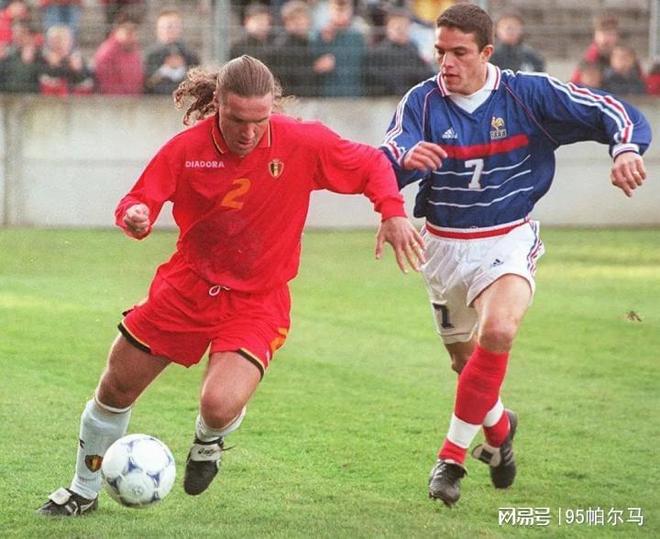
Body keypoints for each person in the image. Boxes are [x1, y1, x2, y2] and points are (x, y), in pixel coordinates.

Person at [37, 54, 424, 517]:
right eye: (238, 119)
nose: (250, 132)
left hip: (257, 300)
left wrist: (392, 212)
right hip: (187, 288)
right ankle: (82, 490)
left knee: (218, 404)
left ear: (272, 107)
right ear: (217, 103)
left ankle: (209, 439)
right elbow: (140, 199)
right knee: (116, 387)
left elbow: (372, 164)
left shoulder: (302, 141)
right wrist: (135, 217)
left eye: (261, 120)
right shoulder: (187, 149)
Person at [380, 3, 651, 507]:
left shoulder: (529, 94)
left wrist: (626, 149)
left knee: (500, 330)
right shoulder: (420, 102)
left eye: (460, 53)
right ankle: (500, 430)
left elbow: (612, 111)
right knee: (465, 364)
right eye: (440, 52)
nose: (447, 63)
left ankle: (451, 459)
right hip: (442, 248)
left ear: (487, 52)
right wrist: (400, 166)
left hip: (506, 238)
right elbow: (385, 162)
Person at [365, 7, 434, 97]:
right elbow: (376, 81)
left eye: (405, 26)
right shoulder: (378, 53)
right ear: (387, 27)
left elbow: (425, 75)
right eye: (397, 27)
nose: (401, 30)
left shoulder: (413, 49)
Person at [311, 0, 366, 97]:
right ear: (330, 10)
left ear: (351, 10)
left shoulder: (357, 36)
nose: (340, 14)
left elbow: (361, 64)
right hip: (328, 94)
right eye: (337, 9)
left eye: (344, 9)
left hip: (353, 93)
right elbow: (311, 65)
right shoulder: (321, 35)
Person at [144, 8, 199, 95]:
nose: (169, 30)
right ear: (158, 29)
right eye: (165, 27)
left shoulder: (190, 54)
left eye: (174, 26)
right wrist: (164, 70)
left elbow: (197, 82)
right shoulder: (150, 55)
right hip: (157, 98)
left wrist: (183, 69)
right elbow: (146, 84)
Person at [37, 23, 93, 96]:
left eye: (63, 39)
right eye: (55, 40)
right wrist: (52, 67)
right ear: (49, 42)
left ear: (71, 41)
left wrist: (78, 70)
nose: (59, 43)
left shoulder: (79, 60)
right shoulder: (41, 59)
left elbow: (87, 86)